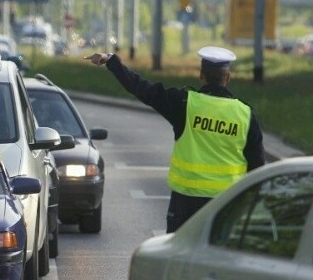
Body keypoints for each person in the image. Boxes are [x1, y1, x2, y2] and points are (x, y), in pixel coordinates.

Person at [88, 46, 265, 233]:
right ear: (227, 78)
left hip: (186, 204)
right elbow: (258, 167)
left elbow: (142, 89)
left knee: (178, 258)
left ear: (201, 75)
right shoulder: (245, 115)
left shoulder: (184, 104)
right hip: (227, 204)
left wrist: (111, 61)